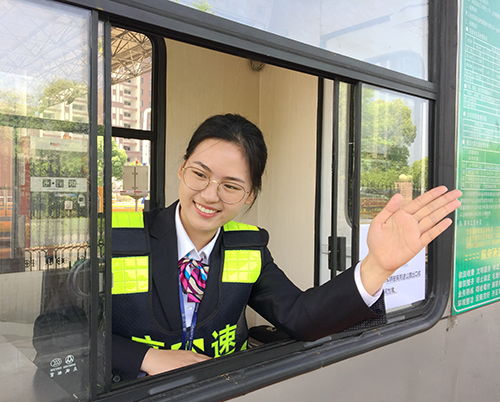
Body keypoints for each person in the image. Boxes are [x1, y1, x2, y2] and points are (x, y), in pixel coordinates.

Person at [111, 113, 462, 381]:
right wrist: (145, 357)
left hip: (218, 391)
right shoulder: (121, 238)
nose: (209, 195)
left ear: (250, 196)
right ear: (181, 168)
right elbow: (76, 329)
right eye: (199, 174)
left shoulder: (248, 247)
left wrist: (377, 266)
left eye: (230, 186)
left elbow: (300, 317)